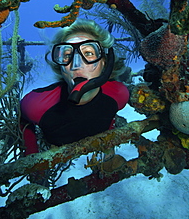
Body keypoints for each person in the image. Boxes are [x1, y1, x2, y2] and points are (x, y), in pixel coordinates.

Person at [20, 19, 129, 176]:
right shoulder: (36, 105)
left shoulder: (119, 94)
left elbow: (110, 116)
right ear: (60, 66)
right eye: (67, 55)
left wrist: (108, 144)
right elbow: (23, 120)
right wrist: (32, 156)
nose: (76, 64)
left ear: (105, 62)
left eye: (89, 53)